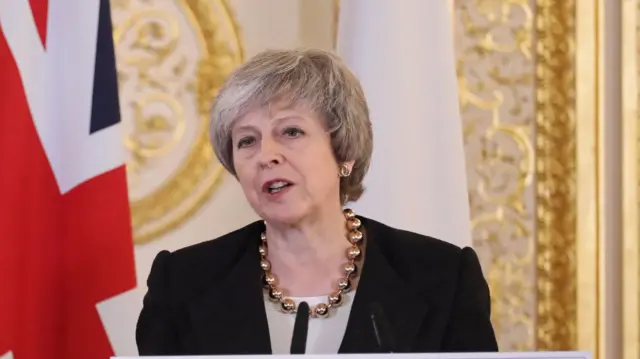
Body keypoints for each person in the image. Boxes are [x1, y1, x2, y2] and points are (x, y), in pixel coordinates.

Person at [135, 48, 498, 355]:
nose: (266, 156)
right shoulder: (183, 282)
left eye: (291, 132)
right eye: (247, 141)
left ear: (344, 152)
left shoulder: (442, 278)